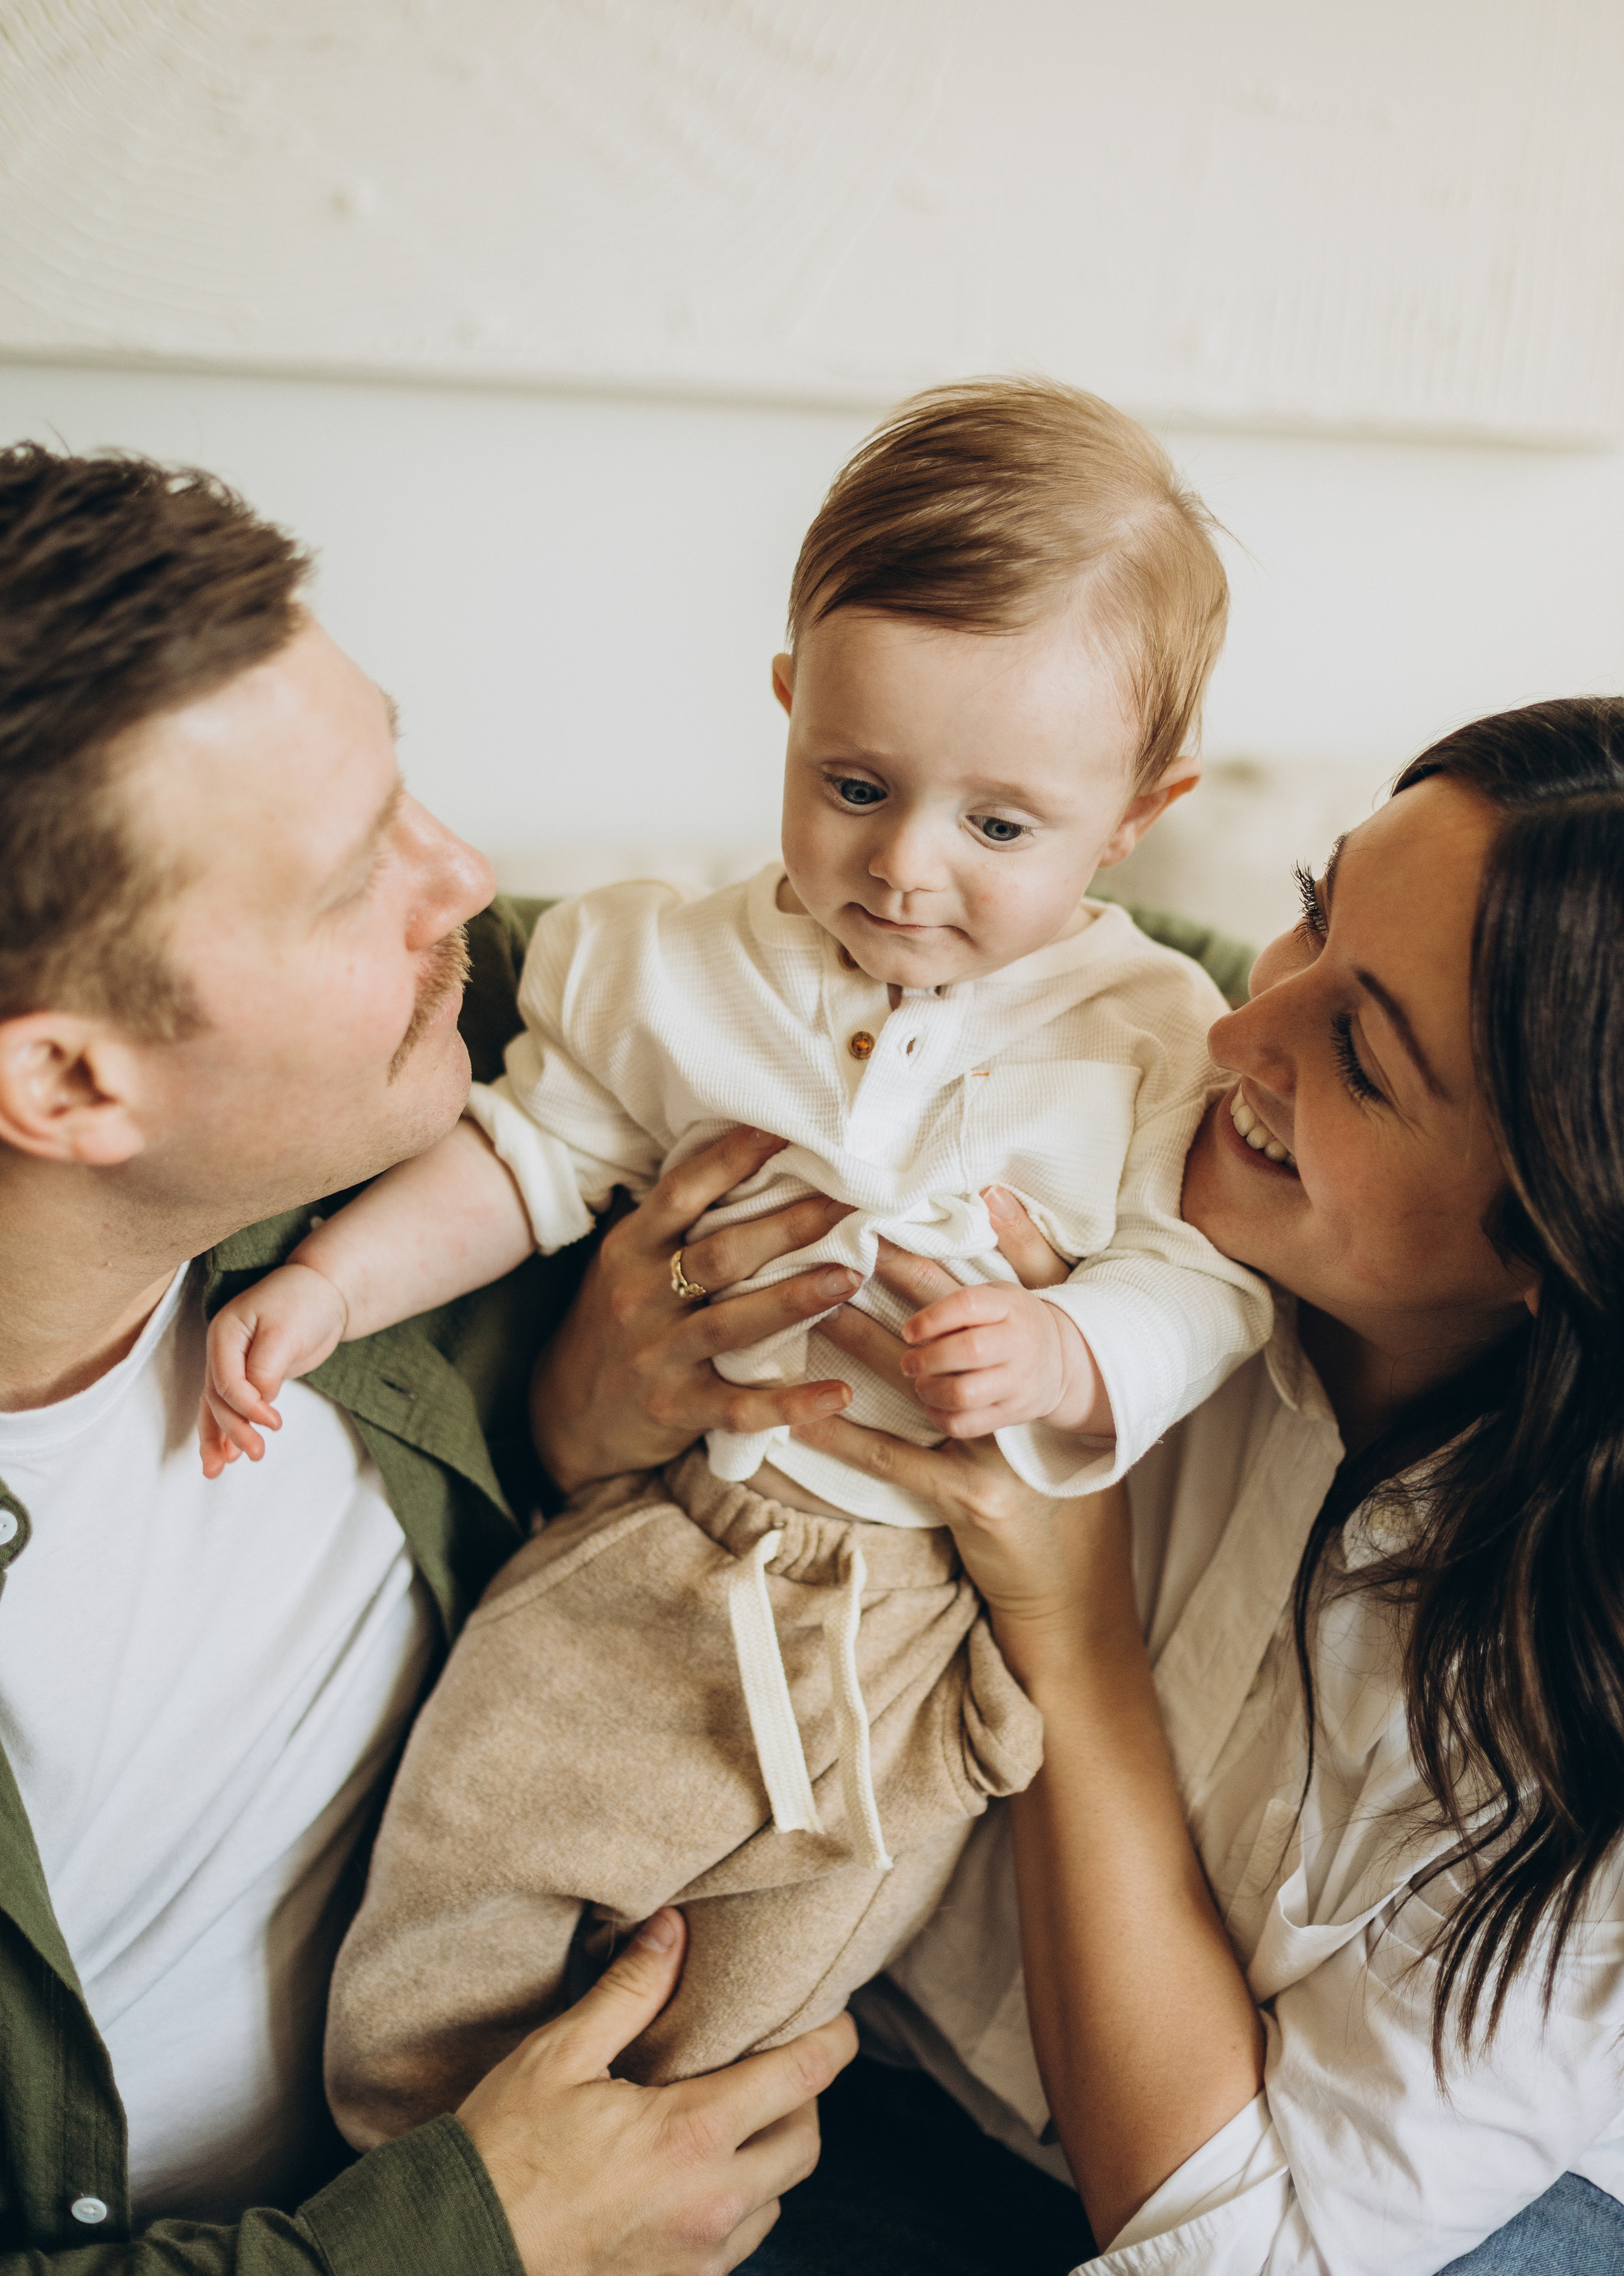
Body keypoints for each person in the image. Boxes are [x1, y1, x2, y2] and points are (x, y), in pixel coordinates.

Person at [200, 380, 1271, 2124]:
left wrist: (1076, 1354)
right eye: (854, 783)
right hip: (663, 1544)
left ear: (1138, 818)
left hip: (921, 1615)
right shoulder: (677, 966)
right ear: (786, 707)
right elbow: (528, 1155)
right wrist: (332, 1287)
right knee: (482, 1824)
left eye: (1000, 827)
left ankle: (652, 2172)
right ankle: (410, 2156)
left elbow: (1204, 1281)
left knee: (782, 1963)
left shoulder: (1154, 1024)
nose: (907, 869)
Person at [530, 695, 1624, 2274]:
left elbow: (1230, 2254)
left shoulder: (1565, 1705)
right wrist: (594, 1382)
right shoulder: (1084, 1089)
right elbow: (601, 1436)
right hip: (871, 2066)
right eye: (1310, 916)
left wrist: (1072, 1625)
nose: (1238, 1031)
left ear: (1553, 1236)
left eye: (1361, 1062)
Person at [0, 442, 858, 2273]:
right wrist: (471, 2235)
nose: (458, 872)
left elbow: (1098, 994)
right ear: (68, 1081)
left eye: (403, 776)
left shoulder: (456, 1051)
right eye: (346, 880)